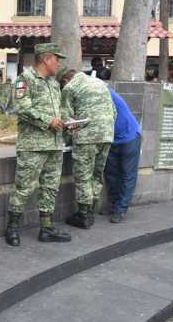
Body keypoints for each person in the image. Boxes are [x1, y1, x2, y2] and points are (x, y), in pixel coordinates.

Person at [5, 43, 72, 247]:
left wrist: (69, 123)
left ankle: (46, 228)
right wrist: (47, 121)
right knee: (24, 188)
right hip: (33, 146)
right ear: (45, 59)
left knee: (50, 188)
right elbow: (21, 108)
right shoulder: (23, 80)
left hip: (54, 145)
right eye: (57, 59)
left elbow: (60, 110)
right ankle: (12, 228)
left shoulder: (53, 83)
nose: (59, 64)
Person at [57, 67, 116, 229]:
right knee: (97, 174)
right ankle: (90, 210)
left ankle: (83, 215)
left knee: (83, 176)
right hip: (107, 135)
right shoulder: (99, 83)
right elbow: (114, 112)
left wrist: (64, 138)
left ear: (64, 80)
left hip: (86, 138)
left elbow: (67, 119)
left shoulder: (69, 88)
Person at [105, 89, 142, 223]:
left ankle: (120, 209)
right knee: (111, 173)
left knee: (127, 175)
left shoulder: (105, 92)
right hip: (112, 139)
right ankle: (114, 205)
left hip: (130, 137)